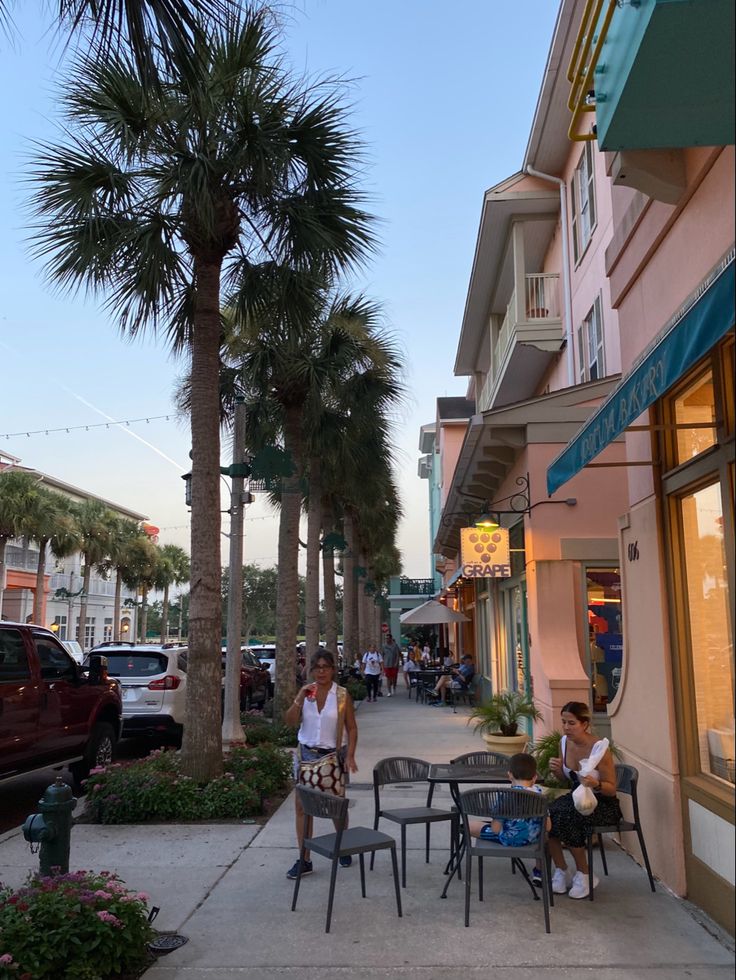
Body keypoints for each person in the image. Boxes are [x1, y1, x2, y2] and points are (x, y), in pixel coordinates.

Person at [283, 649, 358, 879]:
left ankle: (342, 844)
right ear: (311, 670)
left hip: (333, 757)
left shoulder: (342, 695)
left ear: (333, 670)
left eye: (326, 667)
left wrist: (351, 755)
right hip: (306, 756)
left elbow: (352, 728)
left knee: (336, 806)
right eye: (317, 667)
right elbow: (289, 722)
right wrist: (298, 698)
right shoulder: (307, 694)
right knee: (302, 807)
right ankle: (304, 858)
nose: (321, 671)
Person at [547, 700, 622, 899]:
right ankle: (562, 869)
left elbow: (611, 789)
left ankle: (585, 874)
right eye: (563, 722)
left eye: (571, 723)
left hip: (601, 803)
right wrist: (557, 771)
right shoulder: (563, 743)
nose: (566, 727)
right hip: (575, 797)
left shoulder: (599, 749)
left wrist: (594, 783)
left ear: (584, 724)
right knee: (545, 816)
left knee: (567, 818)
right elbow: (566, 780)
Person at [467, 753, 550, 883]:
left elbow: (495, 829)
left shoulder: (505, 797)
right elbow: (548, 826)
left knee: (469, 826)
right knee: (543, 836)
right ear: (534, 777)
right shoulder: (540, 796)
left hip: (509, 839)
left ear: (510, 775)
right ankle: (539, 872)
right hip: (533, 839)